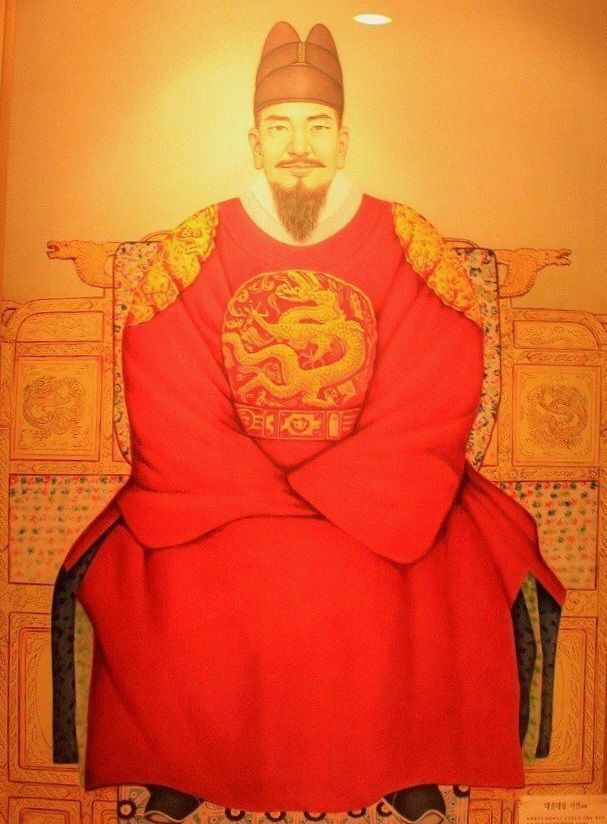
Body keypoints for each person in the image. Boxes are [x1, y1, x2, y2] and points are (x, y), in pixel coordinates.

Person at [51, 21, 566, 824]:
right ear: (254, 144)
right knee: (173, 579)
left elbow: (436, 376)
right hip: (215, 490)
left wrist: (356, 487)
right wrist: (250, 486)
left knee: (426, 567)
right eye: (281, 128)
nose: (299, 147)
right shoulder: (198, 243)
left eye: (317, 128)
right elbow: (163, 377)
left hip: (384, 487)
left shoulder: (405, 240)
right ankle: (182, 764)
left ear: (343, 140)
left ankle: (406, 763)